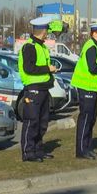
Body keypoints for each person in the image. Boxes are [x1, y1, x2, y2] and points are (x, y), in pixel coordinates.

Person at [18, 16, 59, 162]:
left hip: (43, 89)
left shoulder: (41, 46)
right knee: (32, 121)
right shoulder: (30, 47)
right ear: (42, 31)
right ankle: (28, 153)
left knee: (42, 122)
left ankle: (38, 150)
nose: (48, 33)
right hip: (33, 89)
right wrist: (47, 68)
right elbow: (29, 68)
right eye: (47, 30)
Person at [71, 22, 97, 160]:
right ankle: (81, 150)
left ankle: (87, 147)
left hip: (90, 88)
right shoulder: (91, 47)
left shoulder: (94, 47)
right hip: (85, 87)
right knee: (86, 118)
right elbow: (92, 68)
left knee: (91, 118)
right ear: (94, 33)